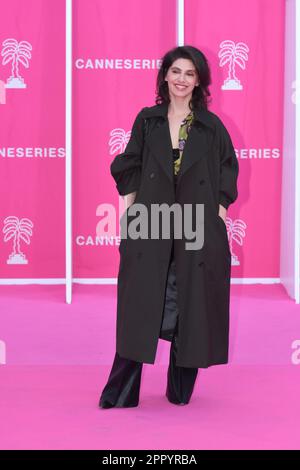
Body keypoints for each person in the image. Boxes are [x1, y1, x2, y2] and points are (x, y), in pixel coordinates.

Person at [99, 45, 239, 408]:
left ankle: (179, 391)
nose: (181, 79)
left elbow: (227, 172)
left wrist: (219, 217)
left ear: (199, 81)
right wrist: (131, 215)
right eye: (176, 71)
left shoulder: (211, 126)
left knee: (191, 305)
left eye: (189, 73)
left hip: (197, 227)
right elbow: (127, 164)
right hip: (151, 223)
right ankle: (121, 393)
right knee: (140, 304)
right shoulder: (148, 120)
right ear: (164, 76)